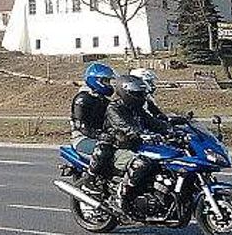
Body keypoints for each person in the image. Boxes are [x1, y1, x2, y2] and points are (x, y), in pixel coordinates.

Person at [103, 75, 171, 214]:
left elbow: (153, 122)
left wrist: (171, 129)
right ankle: (123, 195)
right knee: (142, 163)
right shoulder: (114, 108)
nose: (141, 96)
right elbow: (124, 126)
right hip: (119, 147)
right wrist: (141, 134)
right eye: (137, 93)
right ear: (125, 92)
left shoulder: (136, 108)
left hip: (137, 146)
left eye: (141, 93)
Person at [70, 62, 117, 191]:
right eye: (105, 81)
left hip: (102, 137)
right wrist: (100, 135)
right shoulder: (82, 99)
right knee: (103, 150)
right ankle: (89, 181)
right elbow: (81, 125)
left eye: (109, 81)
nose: (109, 84)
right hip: (82, 138)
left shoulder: (104, 100)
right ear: (96, 80)